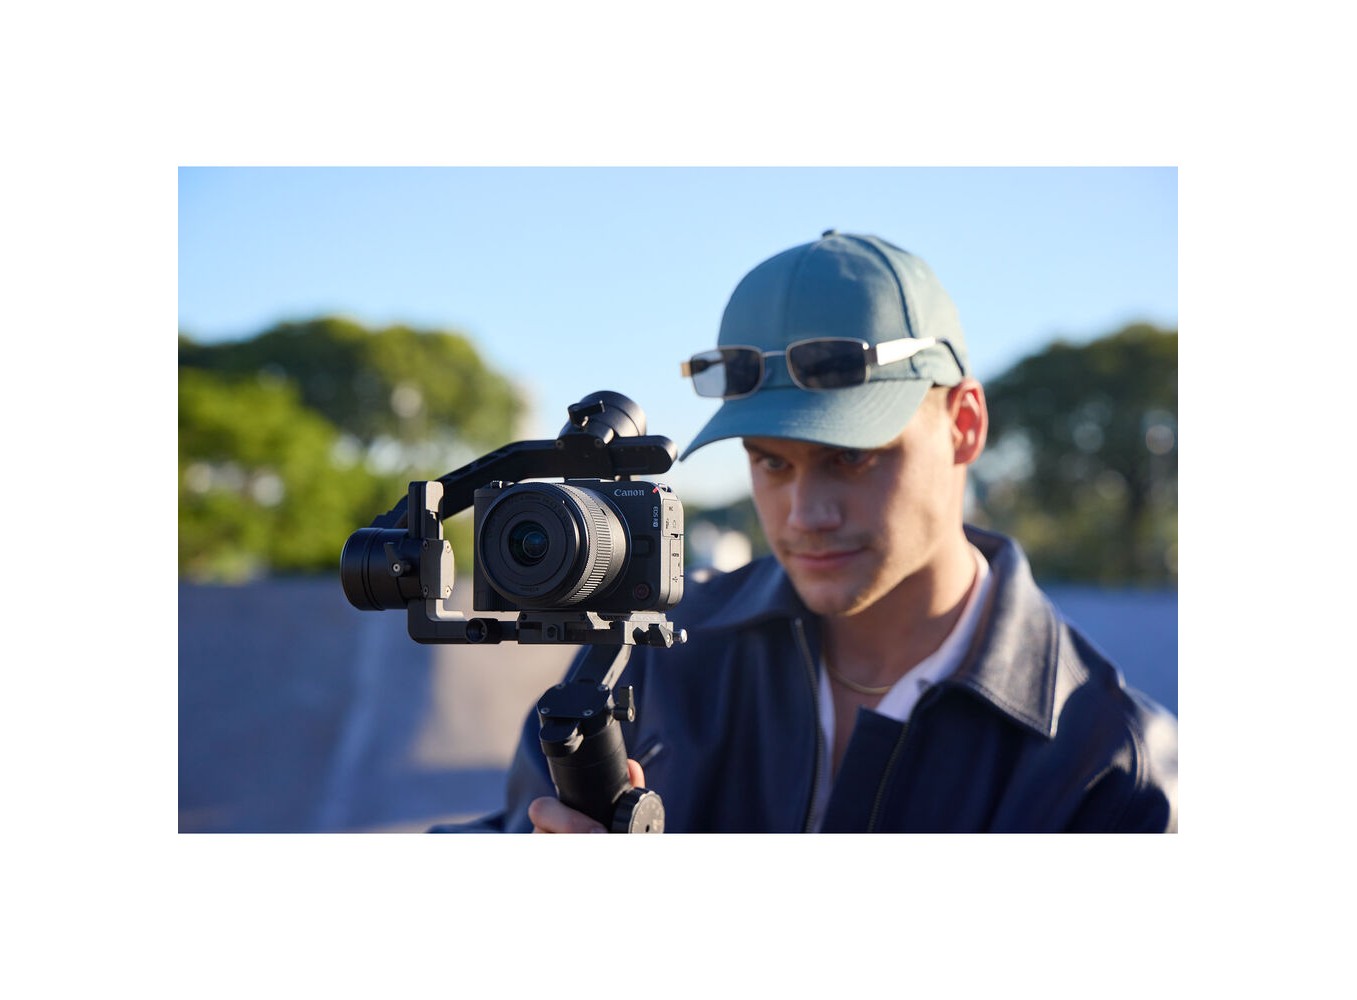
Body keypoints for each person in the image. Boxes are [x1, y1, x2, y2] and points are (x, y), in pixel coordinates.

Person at [434, 230, 1178, 834]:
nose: (803, 514)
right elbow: (508, 831)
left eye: (851, 458)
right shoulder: (656, 655)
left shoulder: (1110, 766)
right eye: (770, 462)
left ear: (964, 424)